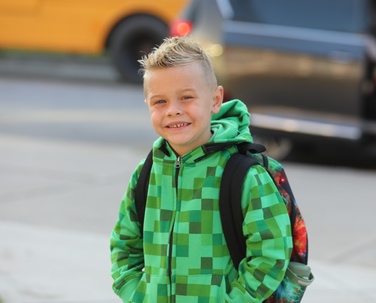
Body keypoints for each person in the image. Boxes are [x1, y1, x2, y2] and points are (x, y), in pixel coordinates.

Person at [110, 35, 292, 303]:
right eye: (160, 101)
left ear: (215, 100)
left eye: (186, 97)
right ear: (148, 104)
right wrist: (139, 295)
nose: (173, 110)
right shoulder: (147, 172)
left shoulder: (244, 175)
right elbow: (125, 246)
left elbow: (271, 254)